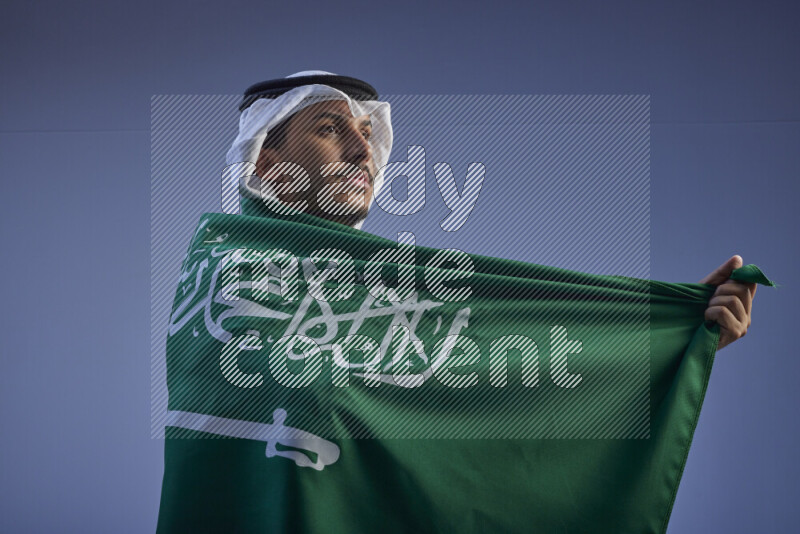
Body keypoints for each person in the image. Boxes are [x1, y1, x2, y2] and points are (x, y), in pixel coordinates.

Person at [229, 70, 756, 351]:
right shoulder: (224, 277)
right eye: (328, 129)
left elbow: (511, 381)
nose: (365, 153)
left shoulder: (395, 294)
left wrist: (672, 339)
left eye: (367, 134)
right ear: (265, 161)